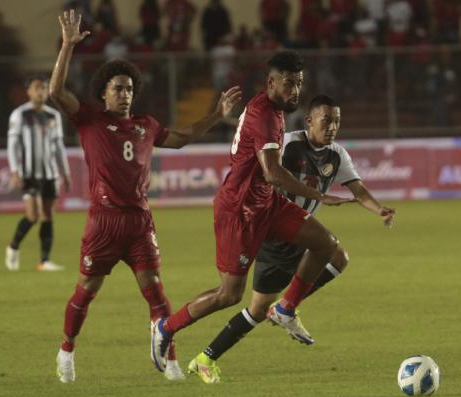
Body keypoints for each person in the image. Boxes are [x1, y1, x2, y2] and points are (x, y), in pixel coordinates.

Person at [49, 10, 241, 383]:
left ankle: (170, 360)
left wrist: (217, 114)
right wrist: (68, 47)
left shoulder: (146, 126)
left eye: (129, 89)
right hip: (103, 221)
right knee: (86, 291)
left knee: (156, 295)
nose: (124, 94)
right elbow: (56, 92)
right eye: (118, 88)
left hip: (139, 222)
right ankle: (66, 351)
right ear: (104, 92)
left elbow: (182, 138)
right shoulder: (88, 119)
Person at [150, 51, 354, 378]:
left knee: (325, 243)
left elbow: (270, 179)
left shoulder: (273, 110)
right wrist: (318, 195)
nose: (295, 91)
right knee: (229, 295)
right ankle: (167, 326)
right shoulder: (264, 115)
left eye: (299, 84)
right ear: (271, 82)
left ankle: (286, 308)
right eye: (289, 83)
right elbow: (272, 172)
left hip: (266, 204)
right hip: (240, 210)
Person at [188, 95, 396, 383]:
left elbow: (359, 191)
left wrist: (379, 210)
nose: (333, 126)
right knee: (257, 309)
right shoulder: (288, 144)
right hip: (277, 235)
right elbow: (264, 171)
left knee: (337, 257)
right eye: (326, 120)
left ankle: (280, 311)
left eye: (337, 120)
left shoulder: (337, 155)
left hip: (302, 232)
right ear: (310, 121)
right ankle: (210, 354)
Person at [4, 75, 71, 273]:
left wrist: (65, 172)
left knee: (48, 215)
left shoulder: (53, 116)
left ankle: (44, 261)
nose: (40, 91)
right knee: (32, 215)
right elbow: (12, 145)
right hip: (29, 173)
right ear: (29, 92)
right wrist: (15, 171)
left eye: (43, 88)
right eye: (36, 88)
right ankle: (13, 247)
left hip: (50, 173)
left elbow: (59, 146)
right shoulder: (20, 114)